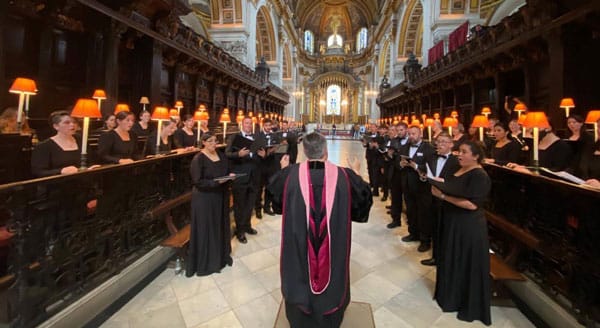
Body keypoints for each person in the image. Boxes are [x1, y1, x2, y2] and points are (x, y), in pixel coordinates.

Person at [268, 132, 372, 327]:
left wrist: (282, 170)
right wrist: (357, 173)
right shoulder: (345, 176)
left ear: (304, 151)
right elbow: (362, 204)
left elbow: (276, 203)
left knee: (299, 265)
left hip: (299, 239)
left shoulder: (289, 175)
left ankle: (301, 314)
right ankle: (328, 314)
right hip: (333, 245)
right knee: (332, 265)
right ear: (325, 150)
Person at [430, 140, 492, 325]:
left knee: (464, 262)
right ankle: (449, 296)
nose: (459, 155)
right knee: (451, 258)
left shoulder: (480, 176)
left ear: (476, 156)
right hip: (453, 222)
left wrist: (442, 196)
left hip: (468, 227)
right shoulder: (457, 168)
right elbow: (451, 184)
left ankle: (462, 301)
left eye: (464, 152)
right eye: (459, 151)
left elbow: (472, 204)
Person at [186, 133, 234, 276]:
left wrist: (230, 177)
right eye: (211, 141)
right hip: (205, 198)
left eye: (215, 141)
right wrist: (216, 182)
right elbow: (197, 181)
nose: (214, 143)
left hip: (220, 196)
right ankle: (208, 262)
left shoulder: (220, 154)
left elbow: (226, 169)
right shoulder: (198, 159)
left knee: (219, 225)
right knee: (208, 228)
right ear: (204, 143)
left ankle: (221, 257)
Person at [420, 132, 460, 266]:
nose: (440, 144)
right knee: (432, 225)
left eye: (444, 142)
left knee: (444, 229)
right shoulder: (431, 157)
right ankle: (435, 256)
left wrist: (443, 182)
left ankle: (445, 258)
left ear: (451, 144)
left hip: (446, 199)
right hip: (430, 195)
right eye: (439, 141)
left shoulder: (456, 161)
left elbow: (456, 180)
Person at [225, 117, 263, 244]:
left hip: (254, 175)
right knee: (240, 204)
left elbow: (259, 155)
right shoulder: (234, 137)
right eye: (246, 123)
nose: (248, 125)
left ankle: (247, 225)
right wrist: (238, 155)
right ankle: (240, 230)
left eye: (250, 123)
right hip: (240, 175)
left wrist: (263, 155)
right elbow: (227, 154)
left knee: (250, 203)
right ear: (242, 124)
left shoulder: (256, 137)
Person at [400, 125, 435, 252]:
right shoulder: (405, 147)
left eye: (413, 133)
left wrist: (416, 166)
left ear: (420, 134)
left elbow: (432, 167)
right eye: (409, 134)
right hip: (408, 184)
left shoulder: (429, 148)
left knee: (423, 213)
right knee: (411, 210)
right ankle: (413, 233)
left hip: (422, 186)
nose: (411, 136)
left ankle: (425, 240)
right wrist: (401, 164)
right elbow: (399, 162)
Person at [31, 111, 81, 177]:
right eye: (67, 122)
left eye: (74, 122)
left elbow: (89, 161)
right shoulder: (44, 146)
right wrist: (60, 171)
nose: (72, 125)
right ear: (56, 126)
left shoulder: (80, 140)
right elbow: (38, 172)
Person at [254, 118, 279, 217]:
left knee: (270, 186)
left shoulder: (275, 135)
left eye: (270, 125)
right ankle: (258, 208)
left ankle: (267, 207)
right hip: (260, 165)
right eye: (266, 125)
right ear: (263, 125)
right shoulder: (258, 135)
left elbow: (278, 146)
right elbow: (254, 149)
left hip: (271, 164)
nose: (268, 127)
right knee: (259, 188)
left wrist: (274, 149)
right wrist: (262, 153)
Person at [387, 122, 409, 229]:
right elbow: (390, 158)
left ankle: (410, 221)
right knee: (395, 197)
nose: (399, 132)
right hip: (395, 172)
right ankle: (395, 219)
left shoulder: (410, 142)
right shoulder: (393, 141)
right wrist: (390, 155)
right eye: (398, 130)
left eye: (401, 130)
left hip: (407, 173)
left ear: (406, 130)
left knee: (408, 198)